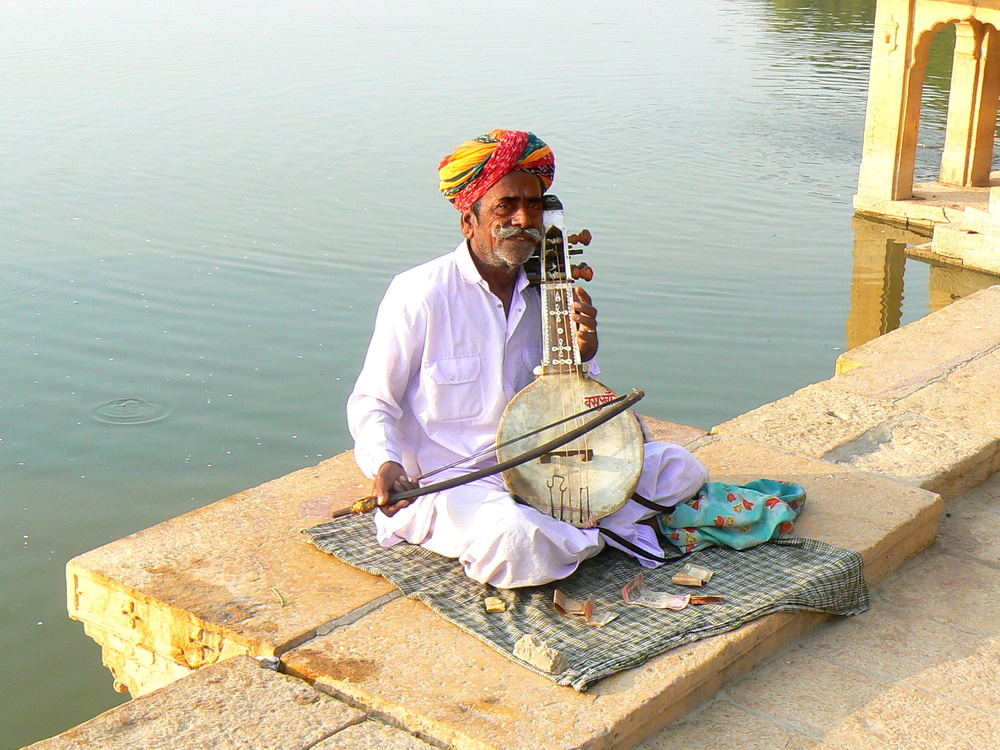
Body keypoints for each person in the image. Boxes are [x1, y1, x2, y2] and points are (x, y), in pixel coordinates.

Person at [347, 129, 708, 588]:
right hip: (465, 481)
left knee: (680, 468)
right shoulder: (419, 294)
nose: (524, 218)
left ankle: (572, 534)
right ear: (469, 220)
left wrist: (584, 355)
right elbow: (373, 401)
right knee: (513, 540)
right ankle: (597, 534)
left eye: (534, 205)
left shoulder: (549, 290)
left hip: (548, 465)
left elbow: (566, 399)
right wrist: (385, 463)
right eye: (506, 207)